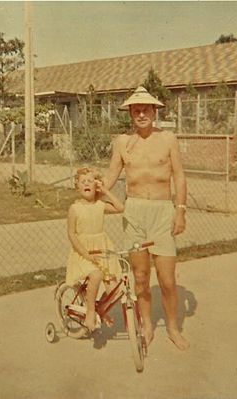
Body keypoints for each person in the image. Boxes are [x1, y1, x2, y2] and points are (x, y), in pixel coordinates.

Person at [104, 86, 189, 350]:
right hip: (134, 213)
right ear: (130, 113)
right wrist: (91, 198)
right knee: (140, 278)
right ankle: (147, 326)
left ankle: (173, 328)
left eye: (145, 109)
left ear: (154, 111)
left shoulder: (168, 139)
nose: (141, 114)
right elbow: (110, 176)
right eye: (136, 110)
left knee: (167, 280)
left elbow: (179, 176)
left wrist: (181, 209)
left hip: (163, 212)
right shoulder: (122, 142)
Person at [66, 167, 125, 332]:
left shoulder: (100, 205)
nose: (86, 183)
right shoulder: (75, 209)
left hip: (102, 250)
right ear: (77, 187)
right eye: (83, 181)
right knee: (96, 274)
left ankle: (100, 309)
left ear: (96, 185)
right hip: (83, 252)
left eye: (90, 181)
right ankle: (91, 311)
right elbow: (71, 234)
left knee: (116, 290)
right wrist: (85, 253)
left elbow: (121, 208)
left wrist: (105, 190)